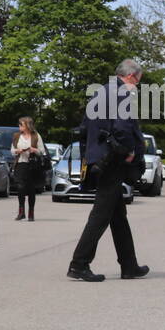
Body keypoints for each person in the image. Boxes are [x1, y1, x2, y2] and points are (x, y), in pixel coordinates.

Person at [67, 59, 149, 281]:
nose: (137, 86)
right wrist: (130, 151)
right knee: (101, 214)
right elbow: (122, 128)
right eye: (138, 82)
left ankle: (129, 265)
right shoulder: (121, 93)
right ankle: (79, 264)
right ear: (132, 76)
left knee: (117, 215)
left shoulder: (101, 92)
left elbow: (85, 127)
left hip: (100, 159)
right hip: (112, 161)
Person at [11, 116, 44, 221]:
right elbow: (12, 150)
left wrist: (34, 150)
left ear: (27, 126)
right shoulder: (16, 136)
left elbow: (42, 151)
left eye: (21, 124)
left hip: (32, 165)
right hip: (20, 164)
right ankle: (21, 212)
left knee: (31, 190)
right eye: (19, 124)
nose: (19, 126)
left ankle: (31, 213)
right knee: (20, 187)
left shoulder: (36, 136)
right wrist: (17, 151)